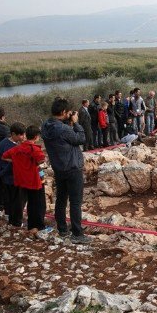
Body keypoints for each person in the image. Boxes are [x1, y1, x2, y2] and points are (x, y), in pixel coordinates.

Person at [41, 97, 91, 244]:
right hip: (72, 168)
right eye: (68, 112)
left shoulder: (45, 125)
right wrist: (76, 123)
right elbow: (81, 139)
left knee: (61, 200)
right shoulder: (64, 129)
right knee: (75, 202)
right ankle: (77, 233)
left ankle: (62, 229)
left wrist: (69, 122)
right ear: (63, 112)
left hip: (59, 168)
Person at [2, 125, 52, 235]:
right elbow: (41, 160)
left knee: (27, 203)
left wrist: (16, 162)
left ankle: (28, 224)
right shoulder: (34, 149)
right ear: (36, 136)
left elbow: (4, 156)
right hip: (35, 180)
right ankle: (38, 226)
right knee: (38, 204)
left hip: (22, 180)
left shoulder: (17, 148)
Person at [0, 122, 25, 226]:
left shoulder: (6, 142)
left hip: (9, 176)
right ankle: (16, 221)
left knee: (11, 198)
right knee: (16, 200)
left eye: (23, 134)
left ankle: (11, 218)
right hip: (11, 176)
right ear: (13, 134)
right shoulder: (6, 144)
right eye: (19, 135)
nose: (22, 137)